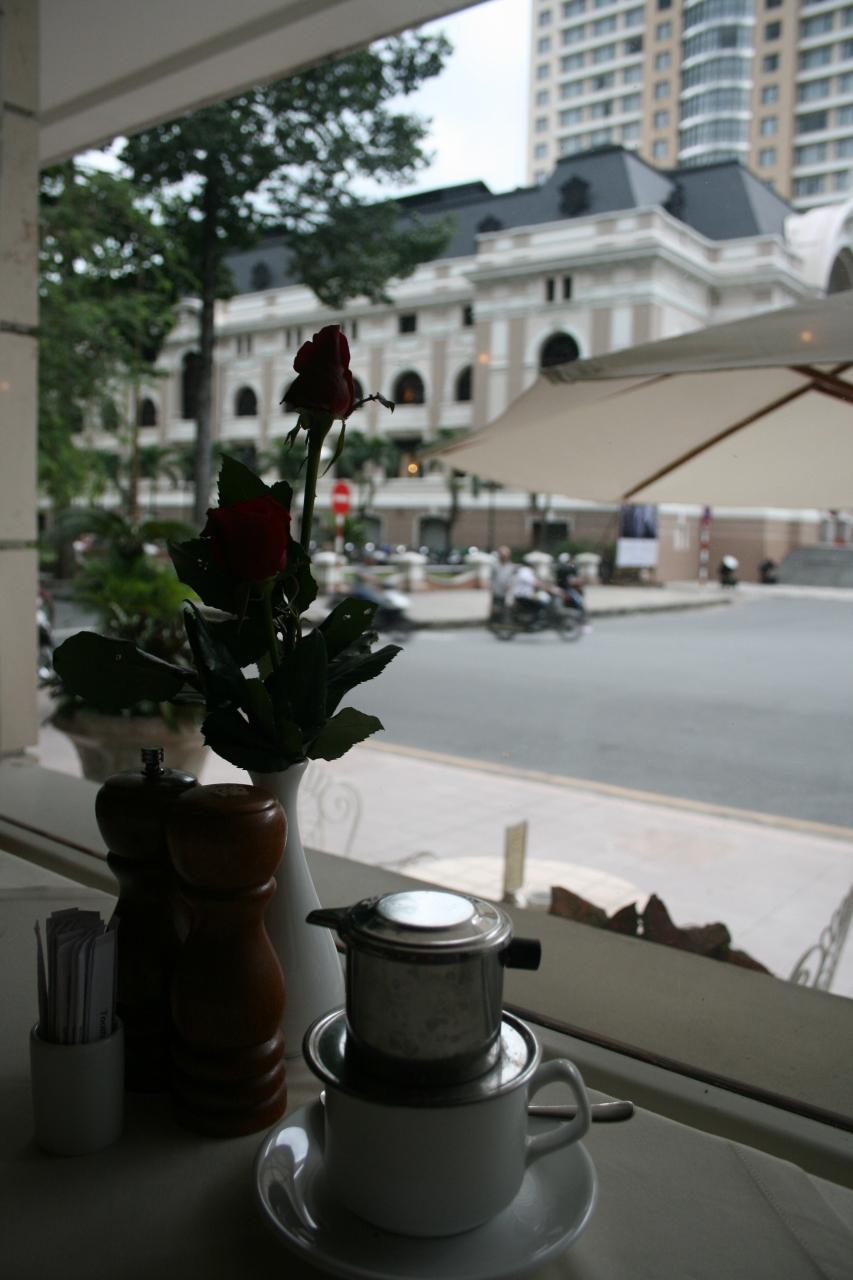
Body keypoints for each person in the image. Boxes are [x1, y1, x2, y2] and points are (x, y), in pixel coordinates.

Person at [490, 546, 515, 617]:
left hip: (506, 591)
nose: (504, 557)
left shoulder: (510, 566)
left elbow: (511, 578)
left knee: (504, 609)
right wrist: (491, 587)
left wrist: (510, 587)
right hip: (496, 590)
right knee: (495, 609)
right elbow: (491, 577)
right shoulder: (495, 565)